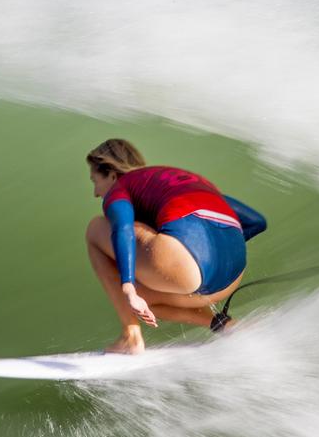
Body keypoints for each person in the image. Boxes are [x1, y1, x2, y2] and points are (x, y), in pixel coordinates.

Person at [86, 139, 267, 354]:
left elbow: (123, 228)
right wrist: (209, 256)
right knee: (149, 302)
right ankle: (224, 324)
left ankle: (130, 336)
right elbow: (256, 222)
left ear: (112, 175)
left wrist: (129, 288)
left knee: (95, 228)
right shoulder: (181, 179)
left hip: (187, 269)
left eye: (95, 181)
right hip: (232, 276)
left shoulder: (121, 186)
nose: (96, 193)